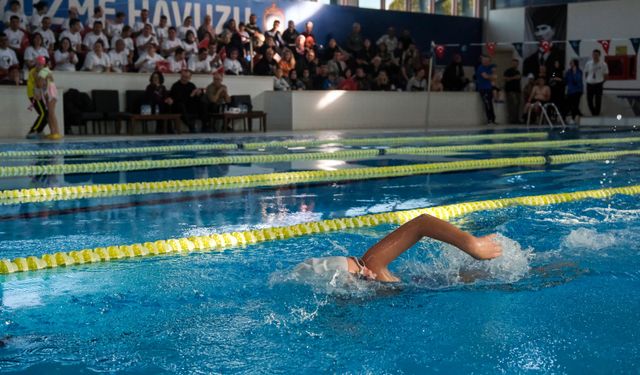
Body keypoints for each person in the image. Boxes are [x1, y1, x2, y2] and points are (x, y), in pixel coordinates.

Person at [294, 214, 502, 283]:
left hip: (471, 279)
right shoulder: (368, 290)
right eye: (357, 270)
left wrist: (471, 244)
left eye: (358, 264)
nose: (364, 268)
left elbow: (422, 223)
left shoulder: (373, 263)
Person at [36, 67, 62, 139]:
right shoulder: (39, 76)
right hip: (46, 95)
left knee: (51, 113)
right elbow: (39, 89)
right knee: (48, 115)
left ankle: (57, 132)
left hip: (52, 95)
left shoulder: (47, 75)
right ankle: (52, 132)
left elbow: (42, 84)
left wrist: (39, 83)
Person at [25, 56, 47, 139]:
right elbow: (39, 84)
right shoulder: (34, 72)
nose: (39, 66)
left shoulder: (42, 71)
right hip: (34, 94)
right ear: (35, 64)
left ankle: (40, 130)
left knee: (46, 114)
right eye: (38, 64)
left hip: (38, 94)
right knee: (43, 113)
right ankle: (32, 131)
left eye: (41, 64)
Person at [584, 49, 609, 116]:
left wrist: (601, 82)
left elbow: (606, 76)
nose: (595, 56)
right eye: (594, 54)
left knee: (598, 101)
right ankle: (593, 112)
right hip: (589, 84)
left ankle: (596, 114)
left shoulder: (603, 64)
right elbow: (586, 74)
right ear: (592, 55)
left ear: (599, 55)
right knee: (589, 101)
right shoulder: (588, 64)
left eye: (596, 55)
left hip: (598, 84)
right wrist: (589, 80)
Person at [476, 55, 497, 124]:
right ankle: (489, 119)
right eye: (484, 60)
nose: (485, 62)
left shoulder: (489, 67)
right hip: (483, 89)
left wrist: (493, 72)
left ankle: (493, 119)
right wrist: (492, 76)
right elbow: (485, 76)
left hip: (489, 88)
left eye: (487, 61)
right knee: (487, 104)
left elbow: (494, 67)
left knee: (490, 104)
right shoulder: (481, 68)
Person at [564, 59, 583, 124]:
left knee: (575, 105)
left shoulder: (579, 71)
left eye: (571, 63)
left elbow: (577, 80)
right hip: (570, 91)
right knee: (569, 105)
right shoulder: (568, 72)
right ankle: (579, 114)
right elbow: (566, 81)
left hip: (577, 91)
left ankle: (573, 118)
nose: (570, 64)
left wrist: (574, 73)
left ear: (575, 64)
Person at [503, 59, 522, 124]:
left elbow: (519, 78)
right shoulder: (508, 71)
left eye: (516, 63)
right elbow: (505, 79)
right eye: (514, 63)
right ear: (512, 63)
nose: (515, 65)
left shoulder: (518, 71)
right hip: (510, 90)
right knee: (512, 105)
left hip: (517, 91)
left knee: (517, 105)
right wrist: (514, 77)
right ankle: (512, 119)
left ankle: (516, 119)